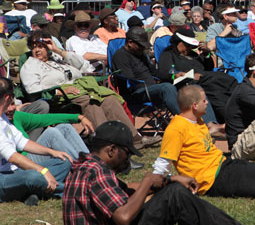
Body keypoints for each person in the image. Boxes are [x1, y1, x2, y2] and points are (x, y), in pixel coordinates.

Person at [63, 121, 255, 225]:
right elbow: (123, 218)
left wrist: (170, 179)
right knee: (175, 197)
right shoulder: (99, 173)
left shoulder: (83, 167)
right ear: (111, 150)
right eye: (126, 153)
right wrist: (148, 183)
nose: (128, 160)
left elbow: (127, 187)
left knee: (172, 192)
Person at [21, 30, 158, 149]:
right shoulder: (30, 65)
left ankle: (134, 138)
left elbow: (81, 64)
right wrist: (58, 91)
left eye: (41, 46)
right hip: (59, 99)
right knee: (91, 101)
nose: (37, 50)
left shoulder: (57, 58)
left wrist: (58, 50)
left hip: (81, 90)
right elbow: (32, 89)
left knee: (109, 99)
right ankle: (106, 143)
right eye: (34, 47)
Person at [112, 27, 224, 134]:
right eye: (140, 46)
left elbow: (156, 73)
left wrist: (174, 75)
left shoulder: (141, 55)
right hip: (137, 93)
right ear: (130, 42)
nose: (143, 48)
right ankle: (188, 123)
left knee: (194, 89)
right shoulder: (120, 56)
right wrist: (155, 85)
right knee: (167, 87)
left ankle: (209, 125)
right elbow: (128, 80)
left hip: (153, 90)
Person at [0, 77, 72, 204]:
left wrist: (52, 152)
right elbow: (12, 157)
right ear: (7, 98)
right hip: (3, 177)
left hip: (15, 171)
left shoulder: (3, 118)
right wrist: (42, 171)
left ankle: (31, 192)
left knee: (64, 161)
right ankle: (73, 190)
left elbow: (22, 142)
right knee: (33, 176)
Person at [157, 28, 238, 123]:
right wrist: (179, 75)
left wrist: (206, 53)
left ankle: (231, 119)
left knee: (220, 90)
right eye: (187, 45)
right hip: (187, 85)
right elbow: (164, 73)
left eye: (191, 46)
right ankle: (215, 123)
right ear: (179, 42)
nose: (189, 48)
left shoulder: (193, 54)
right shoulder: (168, 54)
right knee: (221, 82)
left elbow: (209, 67)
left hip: (205, 81)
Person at [5, 96, 90, 161]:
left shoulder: (16, 116)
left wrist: (78, 117)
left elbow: (45, 119)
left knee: (65, 127)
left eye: (12, 104)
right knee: (51, 133)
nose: (11, 109)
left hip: (30, 153)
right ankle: (84, 168)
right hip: (21, 163)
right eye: (6, 105)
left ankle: (91, 162)